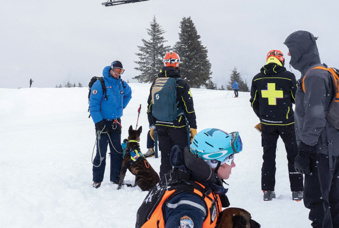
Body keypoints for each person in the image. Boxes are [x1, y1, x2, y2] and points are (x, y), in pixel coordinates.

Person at [284, 31, 339, 228]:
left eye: (290, 50)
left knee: (318, 201)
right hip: (328, 148)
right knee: (333, 197)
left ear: (300, 50)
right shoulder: (318, 72)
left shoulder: (314, 76)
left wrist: (305, 149)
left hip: (320, 150)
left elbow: (315, 115)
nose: (288, 55)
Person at [136, 128, 245, 228]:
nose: (233, 164)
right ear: (213, 162)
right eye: (229, 159)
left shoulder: (196, 179)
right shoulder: (189, 205)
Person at [250, 50, 303, 201]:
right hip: (288, 124)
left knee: (268, 157)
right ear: (281, 61)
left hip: (267, 125)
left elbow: (254, 102)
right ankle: (297, 191)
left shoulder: (257, 78)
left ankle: (267, 191)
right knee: (293, 156)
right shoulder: (288, 77)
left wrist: (263, 116)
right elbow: (296, 99)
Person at [147, 51, 197, 178]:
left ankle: (164, 184)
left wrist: (152, 126)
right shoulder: (181, 83)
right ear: (177, 64)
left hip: (160, 125)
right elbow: (188, 107)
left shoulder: (156, 82)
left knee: (166, 157)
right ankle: (182, 184)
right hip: (177, 126)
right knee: (182, 156)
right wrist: (193, 127)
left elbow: (150, 106)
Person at [89, 60, 132, 188]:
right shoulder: (100, 84)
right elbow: (93, 105)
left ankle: (116, 178)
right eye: (117, 70)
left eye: (121, 71)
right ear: (111, 69)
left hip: (116, 122)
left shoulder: (121, 84)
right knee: (101, 153)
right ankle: (97, 179)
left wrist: (120, 107)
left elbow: (129, 94)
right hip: (102, 123)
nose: (118, 73)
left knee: (117, 152)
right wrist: (99, 122)